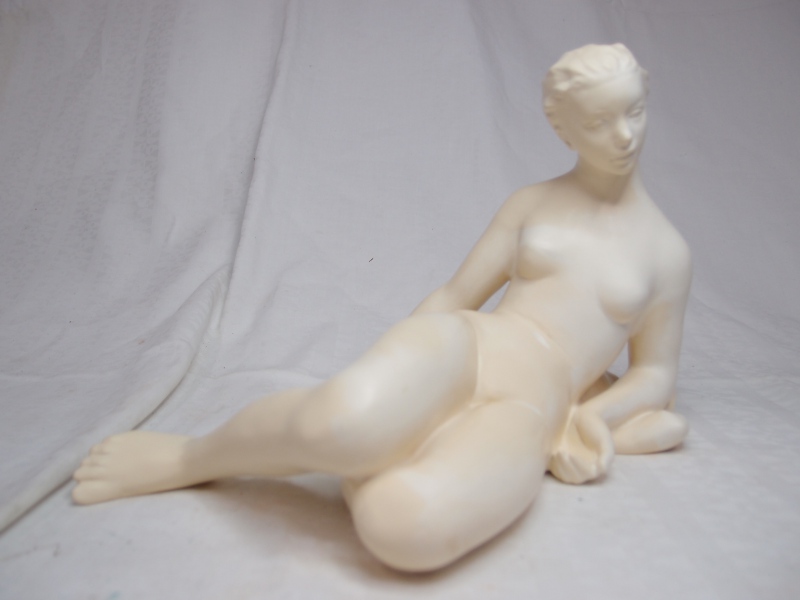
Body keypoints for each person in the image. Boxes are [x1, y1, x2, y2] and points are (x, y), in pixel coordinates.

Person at [72, 43, 691, 572]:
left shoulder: (666, 252)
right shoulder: (532, 204)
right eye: (599, 122)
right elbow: (455, 296)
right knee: (338, 427)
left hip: (534, 405)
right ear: (565, 130)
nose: (624, 135)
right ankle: (190, 457)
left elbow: (655, 374)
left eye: (633, 112)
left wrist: (594, 417)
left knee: (404, 529)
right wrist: (399, 372)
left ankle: (370, 464)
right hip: (469, 342)